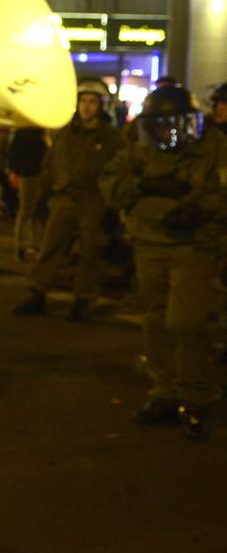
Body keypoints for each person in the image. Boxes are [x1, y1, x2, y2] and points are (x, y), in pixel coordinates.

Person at [100, 85, 225, 441]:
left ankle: (195, 394)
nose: (167, 132)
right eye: (160, 125)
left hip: (194, 246)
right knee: (154, 322)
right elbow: (113, 188)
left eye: (174, 124)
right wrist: (154, 191)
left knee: (186, 323)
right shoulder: (137, 151)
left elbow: (217, 195)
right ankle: (165, 390)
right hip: (149, 246)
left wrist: (198, 211)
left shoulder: (211, 148)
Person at [13, 79, 125, 321]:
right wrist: (42, 198)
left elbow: (121, 170)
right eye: (83, 101)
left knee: (91, 251)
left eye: (92, 102)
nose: (87, 107)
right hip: (64, 197)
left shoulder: (112, 138)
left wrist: (113, 206)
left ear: (101, 106)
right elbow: (50, 165)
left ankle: (82, 299)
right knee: (51, 246)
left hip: (94, 199)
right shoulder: (66, 133)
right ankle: (38, 293)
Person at [8, 125, 50, 260]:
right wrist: (14, 172)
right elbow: (15, 153)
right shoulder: (24, 131)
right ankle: (20, 244)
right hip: (28, 173)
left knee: (35, 208)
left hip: (39, 173)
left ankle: (33, 243)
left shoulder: (40, 131)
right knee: (26, 208)